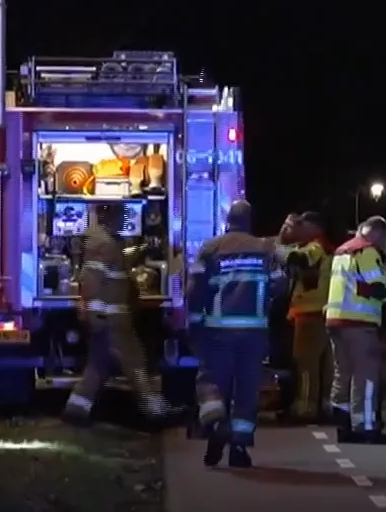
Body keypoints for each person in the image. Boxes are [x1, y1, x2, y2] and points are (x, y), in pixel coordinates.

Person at [189, 199, 284, 467]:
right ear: (249, 222)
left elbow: (195, 289)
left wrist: (194, 322)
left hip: (218, 330)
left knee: (210, 382)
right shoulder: (266, 249)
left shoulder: (211, 248)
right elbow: (280, 285)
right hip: (254, 332)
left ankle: (216, 423)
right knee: (246, 389)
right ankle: (239, 449)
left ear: (227, 221)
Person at [66, 202, 168, 424]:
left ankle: (76, 410)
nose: (126, 222)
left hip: (108, 319)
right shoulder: (103, 244)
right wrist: (95, 315)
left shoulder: (106, 242)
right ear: (110, 218)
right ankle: (155, 413)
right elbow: (91, 282)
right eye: (123, 216)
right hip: (113, 321)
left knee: (97, 367)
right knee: (136, 364)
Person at [326, 216, 386, 444]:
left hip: (336, 321)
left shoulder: (341, 251)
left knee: (342, 374)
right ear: (378, 233)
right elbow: (378, 289)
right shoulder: (366, 252)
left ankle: (342, 424)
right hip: (360, 322)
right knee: (365, 377)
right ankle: (365, 427)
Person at [282, 212, 331, 424]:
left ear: (314, 227)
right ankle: (321, 405)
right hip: (317, 312)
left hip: (310, 312)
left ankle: (306, 408)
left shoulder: (316, 247)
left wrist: (279, 247)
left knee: (306, 363)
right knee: (318, 365)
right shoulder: (322, 246)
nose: (298, 229)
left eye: (303, 224)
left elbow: (299, 259)